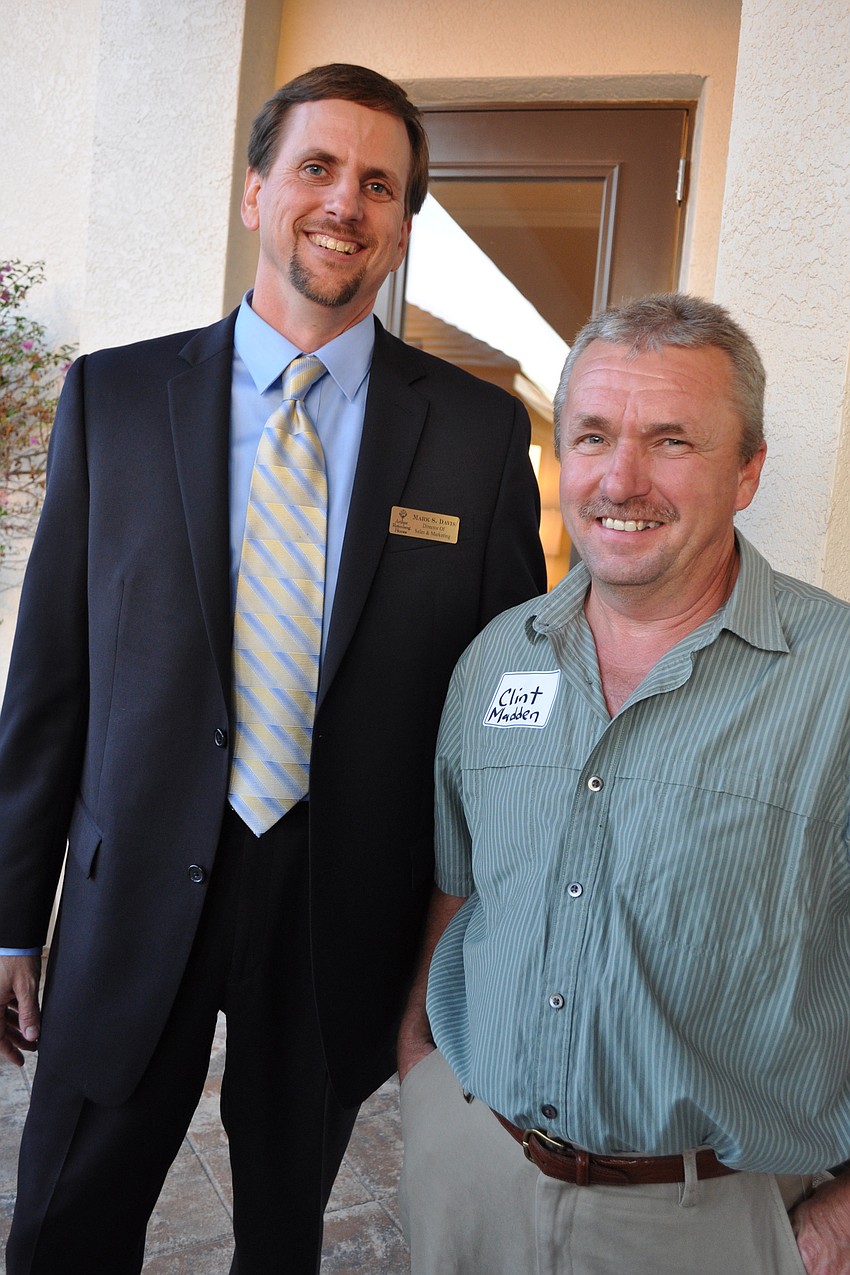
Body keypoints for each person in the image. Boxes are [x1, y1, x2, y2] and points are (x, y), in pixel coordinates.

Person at [0, 62, 546, 1274]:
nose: (344, 203)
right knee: (62, 1225)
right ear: (256, 193)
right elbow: (49, 682)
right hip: (129, 882)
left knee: (286, 1235)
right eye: (315, 168)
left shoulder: (474, 432)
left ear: (404, 224)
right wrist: (7, 919)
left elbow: (500, 716)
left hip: (344, 902)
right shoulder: (116, 398)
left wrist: (470, 950)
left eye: (380, 185)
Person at [396, 292, 850, 1275]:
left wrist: (842, 1216)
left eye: (671, 440)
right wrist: (420, 1071)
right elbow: (461, 887)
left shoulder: (838, 680)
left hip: (713, 1222)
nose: (621, 478)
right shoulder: (493, 661)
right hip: (475, 1173)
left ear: (747, 471)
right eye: (592, 435)